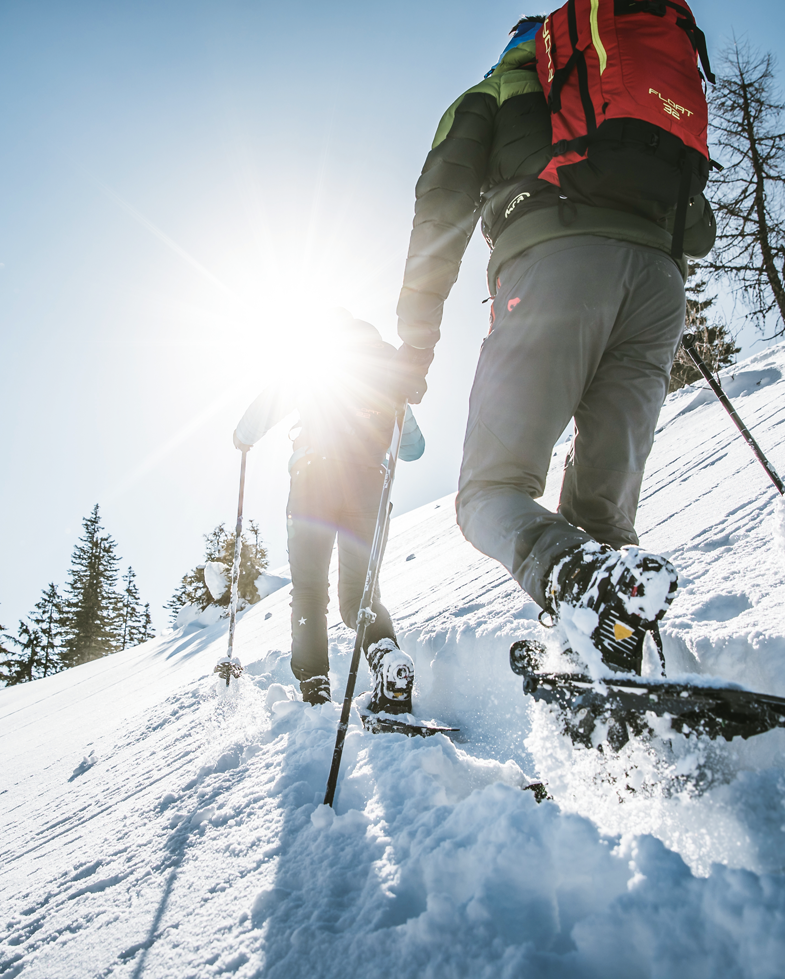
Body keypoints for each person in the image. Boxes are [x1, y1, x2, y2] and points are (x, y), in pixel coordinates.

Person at [388, 16, 717, 673]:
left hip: (554, 272)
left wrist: (415, 346)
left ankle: (580, 584)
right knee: (602, 520)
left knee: (489, 496)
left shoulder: (494, 93)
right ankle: (610, 678)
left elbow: (439, 211)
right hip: (658, 289)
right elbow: (699, 230)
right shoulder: (620, 101)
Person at [234, 310, 425, 709]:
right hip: (369, 488)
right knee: (360, 593)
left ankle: (315, 683)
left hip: (313, 485)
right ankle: (387, 658)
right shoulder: (388, 381)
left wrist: (243, 438)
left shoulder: (315, 368)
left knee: (309, 589)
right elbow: (413, 449)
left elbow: (265, 408)